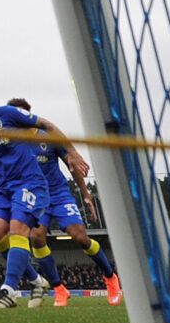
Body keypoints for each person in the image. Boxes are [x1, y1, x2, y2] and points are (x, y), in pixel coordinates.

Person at [0, 83, 87, 309]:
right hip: (4, 188)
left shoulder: (7, 115)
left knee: (18, 230)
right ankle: (36, 280)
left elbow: (46, 124)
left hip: (30, 182)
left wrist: (71, 152)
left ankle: (9, 290)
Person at [7, 98, 122, 307]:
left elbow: (72, 164)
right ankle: (60, 289)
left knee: (79, 237)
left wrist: (86, 194)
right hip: (35, 196)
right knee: (36, 237)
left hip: (59, 194)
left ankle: (110, 277)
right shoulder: (11, 143)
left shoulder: (48, 138)